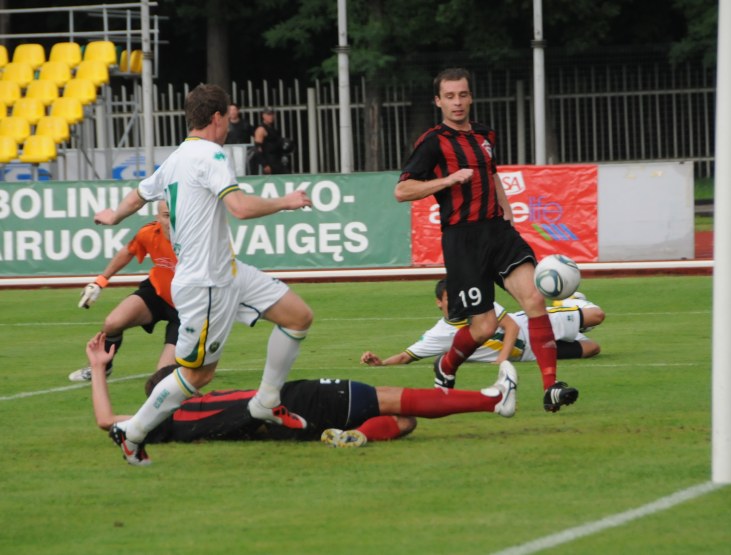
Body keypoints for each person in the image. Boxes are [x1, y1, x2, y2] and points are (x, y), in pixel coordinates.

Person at [93, 83, 313, 466]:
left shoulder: (177, 157)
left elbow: (139, 194)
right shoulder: (210, 154)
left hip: (227, 271)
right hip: (205, 283)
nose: (230, 126)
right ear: (216, 118)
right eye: (228, 118)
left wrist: (114, 214)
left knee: (298, 318)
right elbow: (240, 208)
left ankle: (266, 401)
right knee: (197, 376)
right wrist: (286, 202)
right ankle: (134, 432)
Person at [395, 67, 578, 413]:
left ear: (471, 97)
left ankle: (551, 386)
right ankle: (446, 366)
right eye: (449, 96)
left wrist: (507, 211)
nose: (457, 102)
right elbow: (402, 191)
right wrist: (448, 181)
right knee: (483, 327)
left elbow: (490, 173)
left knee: (535, 299)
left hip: (499, 232)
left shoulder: (484, 134)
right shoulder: (432, 142)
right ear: (438, 101)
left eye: (462, 94)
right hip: (463, 240)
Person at [85, 332, 517, 453]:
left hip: (285, 427)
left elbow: (108, 421)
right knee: (393, 397)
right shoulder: (182, 408)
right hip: (293, 401)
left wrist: (97, 371)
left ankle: (360, 436)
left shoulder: (160, 427)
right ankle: (494, 400)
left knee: (405, 423)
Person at [361, 280, 605, 369]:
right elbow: (406, 356)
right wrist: (381, 363)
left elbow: (512, 327)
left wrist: (502, 359)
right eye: (449, 299)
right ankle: (573, 322)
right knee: (592, 349)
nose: (457, 302)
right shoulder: (438, 334)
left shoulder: (479, 304)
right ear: (438, 303)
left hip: (531, 325)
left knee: (597, 316)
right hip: (529, 354)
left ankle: (568, 301)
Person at [70, 201, 179, 382]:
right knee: (112, 323)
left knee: (163, 376)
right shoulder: (149, 233)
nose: (170, 221)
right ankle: (102, 367)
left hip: (188, 306)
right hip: (157, 292)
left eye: (175, 216)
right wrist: (99, 282)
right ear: (157, 217)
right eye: (166, 216)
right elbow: (128, 251)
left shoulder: (196, 239)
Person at [252, 107, 289, 175]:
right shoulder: (261, 129)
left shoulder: (273, 129)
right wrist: (264, 165)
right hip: (270, 163)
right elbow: (257, 149)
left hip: (277, 161)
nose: (271, 117)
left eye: (272, 114)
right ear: (263, 116)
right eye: (268, 115)